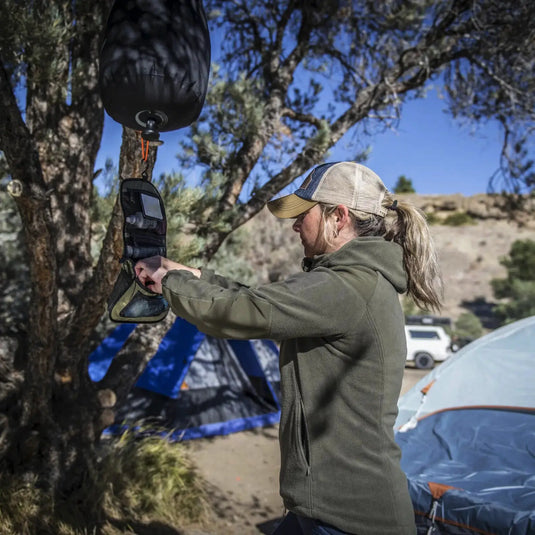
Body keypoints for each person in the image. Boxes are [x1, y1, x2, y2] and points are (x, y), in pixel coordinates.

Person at [135, 161, 443, 535]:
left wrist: (170, 280)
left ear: (338, 217)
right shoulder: (351, 283)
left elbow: (244, 312)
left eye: (303, 214)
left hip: (349, 521)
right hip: (327, 511)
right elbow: (262, 301)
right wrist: (191, 275)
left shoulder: (349, 286)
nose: (295, 225)